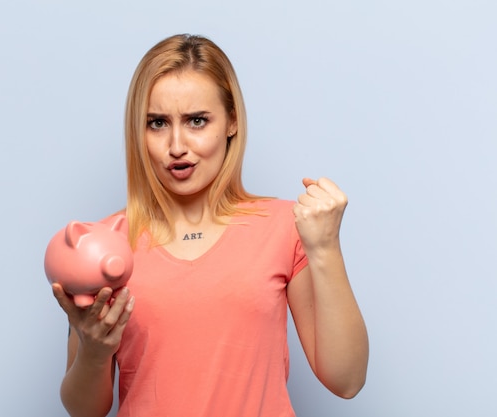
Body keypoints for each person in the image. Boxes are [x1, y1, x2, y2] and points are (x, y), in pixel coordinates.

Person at [51, 33, 368, 417]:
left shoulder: (286, 227)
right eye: (157, 123)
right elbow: (84, 410)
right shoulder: (102, 246)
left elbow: (347, 380)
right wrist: (94, 351)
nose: (176, 145)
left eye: (197, 120)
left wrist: (326, 247)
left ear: (232, 121)